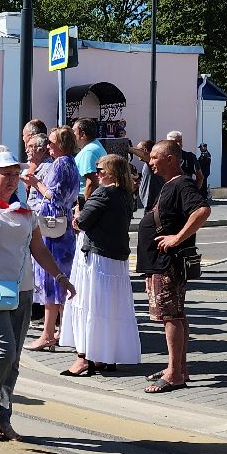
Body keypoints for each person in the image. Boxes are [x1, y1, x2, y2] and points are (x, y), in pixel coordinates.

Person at [0, 150, 74, 440]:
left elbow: (39, 250)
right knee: (4, 351)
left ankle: (4, 417)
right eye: (5, 174)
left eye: (14, 174)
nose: (11, 179)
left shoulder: (24, 212)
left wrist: (60, 277)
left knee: (14, 360)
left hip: (21, 291)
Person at [60, 154, 140, 377]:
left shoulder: (104, 192)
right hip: (116, 258)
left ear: (111, 173)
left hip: (96, 257)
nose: (96, 174)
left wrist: (76, 213)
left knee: (89, 304)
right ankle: (105, 355)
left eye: (100, 170)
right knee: (109, 307)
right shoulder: (125, 194)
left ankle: (84, 358)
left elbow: (82, 222)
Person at [143, 140, 211, 394]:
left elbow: (202, 211)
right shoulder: (170, 184)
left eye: (154, 157)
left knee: (170, 315)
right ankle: (179, 368)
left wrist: (176, 238)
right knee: (176, 314)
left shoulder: (182, 183)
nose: (150, 162)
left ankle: (174, 374)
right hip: (162, 263)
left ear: (170, 159)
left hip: (168, 263)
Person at [22, 126, 79, 351]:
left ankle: (47, 334)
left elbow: (53, 196)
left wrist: (36, 182)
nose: (48, 146)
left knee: (50, 279)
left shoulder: (60, 164)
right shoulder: (71, 163)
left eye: (52, 142)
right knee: (61, 278)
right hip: (62, 226)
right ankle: (63, 331)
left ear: (61, 144)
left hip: (53, 226)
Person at [71, 117, 105, 197]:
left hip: (85, 199)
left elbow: (92, 182)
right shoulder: (94, 146)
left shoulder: (88, 152)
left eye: (74, 132)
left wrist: (86, 206)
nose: (72, 135)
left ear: (82, 134)